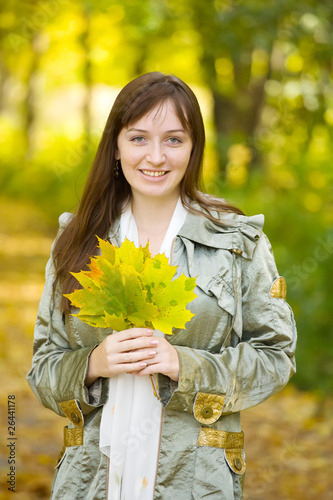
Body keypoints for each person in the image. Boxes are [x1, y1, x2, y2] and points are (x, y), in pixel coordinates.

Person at [27, 72, 297, 500]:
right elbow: (43, 368)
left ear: (194, 149)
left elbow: (275, 356)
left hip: (195, 480)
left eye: (174, 139)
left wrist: (184, 367)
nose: (156, 156)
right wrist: (93, 363)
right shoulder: (76, 241)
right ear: (115, 147)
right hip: (92, 481)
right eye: (138, 138)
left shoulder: (237, 243)